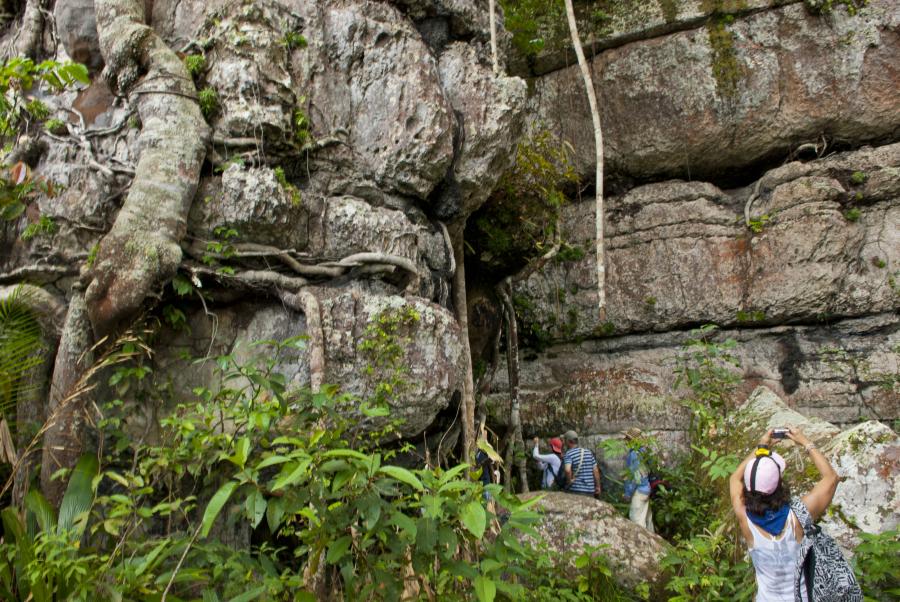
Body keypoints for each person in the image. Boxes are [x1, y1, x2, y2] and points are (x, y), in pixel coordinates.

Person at [729, 427, 839, 602]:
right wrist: (805, 442)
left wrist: (761, 447)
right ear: (779, 482)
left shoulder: (744, 516)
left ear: (749, 486)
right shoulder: (798, 515)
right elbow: (831, 478)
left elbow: (735, 478)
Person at [622, 427, 654, 532]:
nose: (625, 441)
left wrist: (627, 493)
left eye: (627, 438)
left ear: (632, 441)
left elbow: (635, 477)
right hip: (647, 489)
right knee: (648, 520)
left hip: (639, 491)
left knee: (637, 522)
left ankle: (642, 547)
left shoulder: (634, 454)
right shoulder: (644, 451)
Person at [562, 430, 602, 497]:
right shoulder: (588, 452)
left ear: (568, 441)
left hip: (576, 490)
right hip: (590, 490)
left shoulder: (569, 454)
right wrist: (598, 486)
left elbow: (567, 470)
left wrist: (569, 481)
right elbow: (596, 471)